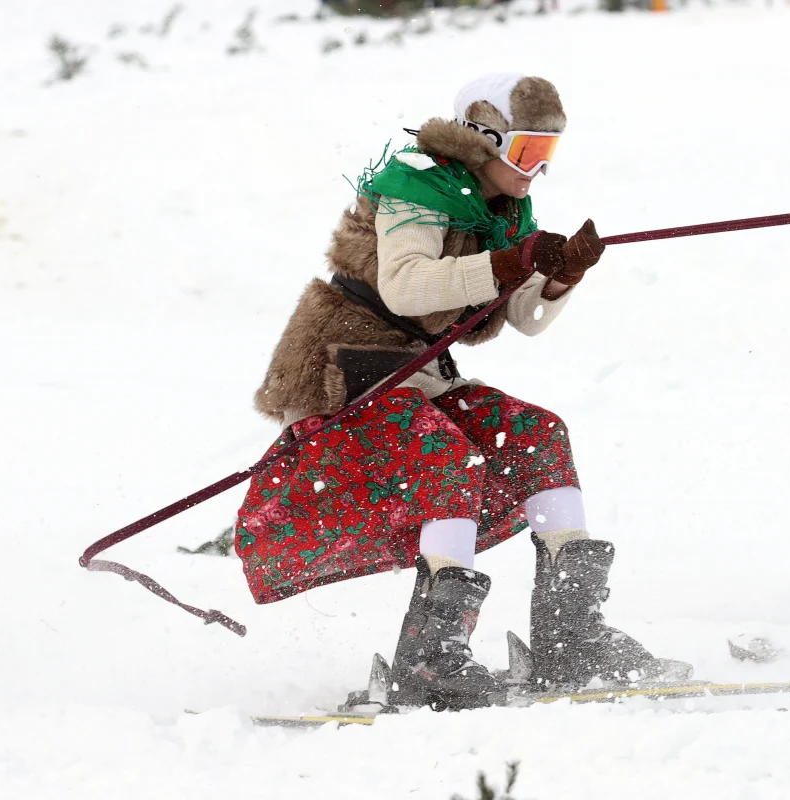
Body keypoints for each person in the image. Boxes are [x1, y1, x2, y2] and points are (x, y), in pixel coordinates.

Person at [240, 73, 687, 710]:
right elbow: (409, 289)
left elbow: (523, 316)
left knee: (537, 436)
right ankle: (430, 660)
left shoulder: (503, 211)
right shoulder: (414, 191)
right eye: (529, 152)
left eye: (548, 156)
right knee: (446, 457)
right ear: (485, 138)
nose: (538, 171)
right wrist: (511, 262)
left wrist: (560, 276)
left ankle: (572, 638)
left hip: (418, 377)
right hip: (346, 375)